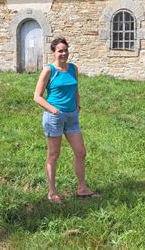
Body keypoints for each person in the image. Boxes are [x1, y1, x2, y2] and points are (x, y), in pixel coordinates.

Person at [34, 37, 99, 203]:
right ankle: (52, 192)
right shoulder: (49, 70)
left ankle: (82, 188)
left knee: (81, 152)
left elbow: (75, 88)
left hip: (72, 116)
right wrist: (53, 109)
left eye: (65, 50)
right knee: (54, 154)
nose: (63, 53)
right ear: (53, 53)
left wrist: (77, 104)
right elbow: (37, 96)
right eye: (60, 51)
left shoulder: (73, 69)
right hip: (54, 117)